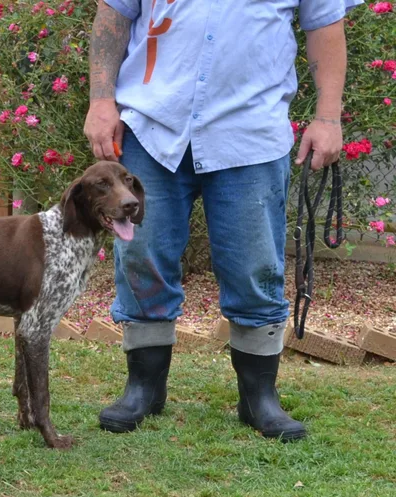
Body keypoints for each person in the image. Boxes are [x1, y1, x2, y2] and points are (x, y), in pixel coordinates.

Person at [84, 0, 361, 441]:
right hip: (151, 127)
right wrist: (101, 100)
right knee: (143, 257)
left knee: (255, 267)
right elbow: (114, 15)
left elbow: (325, 24)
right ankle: (144, 387)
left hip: (248, 132)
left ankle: (258, 398)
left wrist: (327, 117)